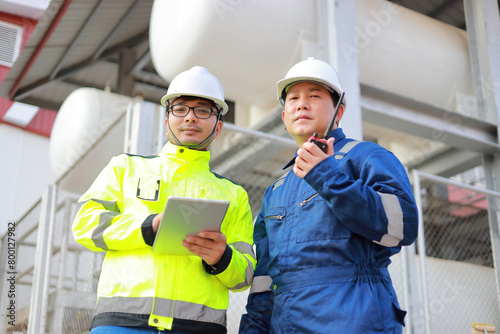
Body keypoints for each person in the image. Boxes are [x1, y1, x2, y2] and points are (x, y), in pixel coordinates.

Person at [239, 57, 418, 333]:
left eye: (314, 95)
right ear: (285, 117)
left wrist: (327, 176)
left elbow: (403, 225)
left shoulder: (367, 157)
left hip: (355, 321)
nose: (301, 104)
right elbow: (265, 280)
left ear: (339, 110)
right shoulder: (275, 191)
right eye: (293, 98)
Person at [72, 66, 256, 334]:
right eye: (180, 109)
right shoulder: (125, 168)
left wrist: (222, 257)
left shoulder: (234, 195)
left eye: (202, 110)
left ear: (218, 126)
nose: (190, 118)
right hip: (122, 324)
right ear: (167, 118)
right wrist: (147, 227)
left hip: (197, 328)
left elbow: (246, 275)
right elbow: (85, 224)